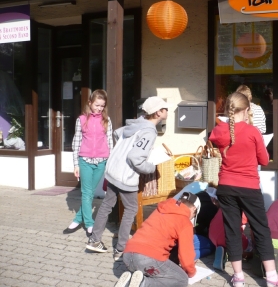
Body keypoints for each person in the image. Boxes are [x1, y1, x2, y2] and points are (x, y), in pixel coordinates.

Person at [209, 92, 278, 287]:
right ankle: (272, 277)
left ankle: (238, 277)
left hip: (226, 186)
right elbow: (265, 160)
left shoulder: (219, 130)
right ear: (247, 109)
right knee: (260, 230)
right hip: (248, 187)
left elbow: (215, 137)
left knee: (232, 230)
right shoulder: (253, 132)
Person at [85, 96, 169, 262]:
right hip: (125, 176)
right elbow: (135, 158)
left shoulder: (136, 123)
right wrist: (151, 167)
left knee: (107, 205)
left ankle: (94, 240)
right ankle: (121, 249)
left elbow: (118, 135)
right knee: (131, 208)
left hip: (113, 170)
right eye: (165, 108)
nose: (167, 111)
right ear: (158, 113)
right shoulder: (149, 131)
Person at [115, 192, 200, 287]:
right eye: (194, 214)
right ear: (193, 208)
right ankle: (142, 283)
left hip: (128, 255)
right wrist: (191, 271)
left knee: (156, 272)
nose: (192, 217)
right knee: (181, 279)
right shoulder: (185, 222)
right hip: (147, 259)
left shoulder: (160, 210)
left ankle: (130, 280)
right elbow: (186, 254)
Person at [63, 89, 113, 237]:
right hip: (84, 161)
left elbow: (110, 141)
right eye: (97, 105)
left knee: (89, 193)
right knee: (86, 193)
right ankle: (90, 224)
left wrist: (109, 162)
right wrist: (75, 164)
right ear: (90, 103)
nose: (99, 108)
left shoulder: (106, 120)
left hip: (101, 161)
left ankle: (77, 219)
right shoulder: (82, 119)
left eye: (102, 106)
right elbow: (76, 142)